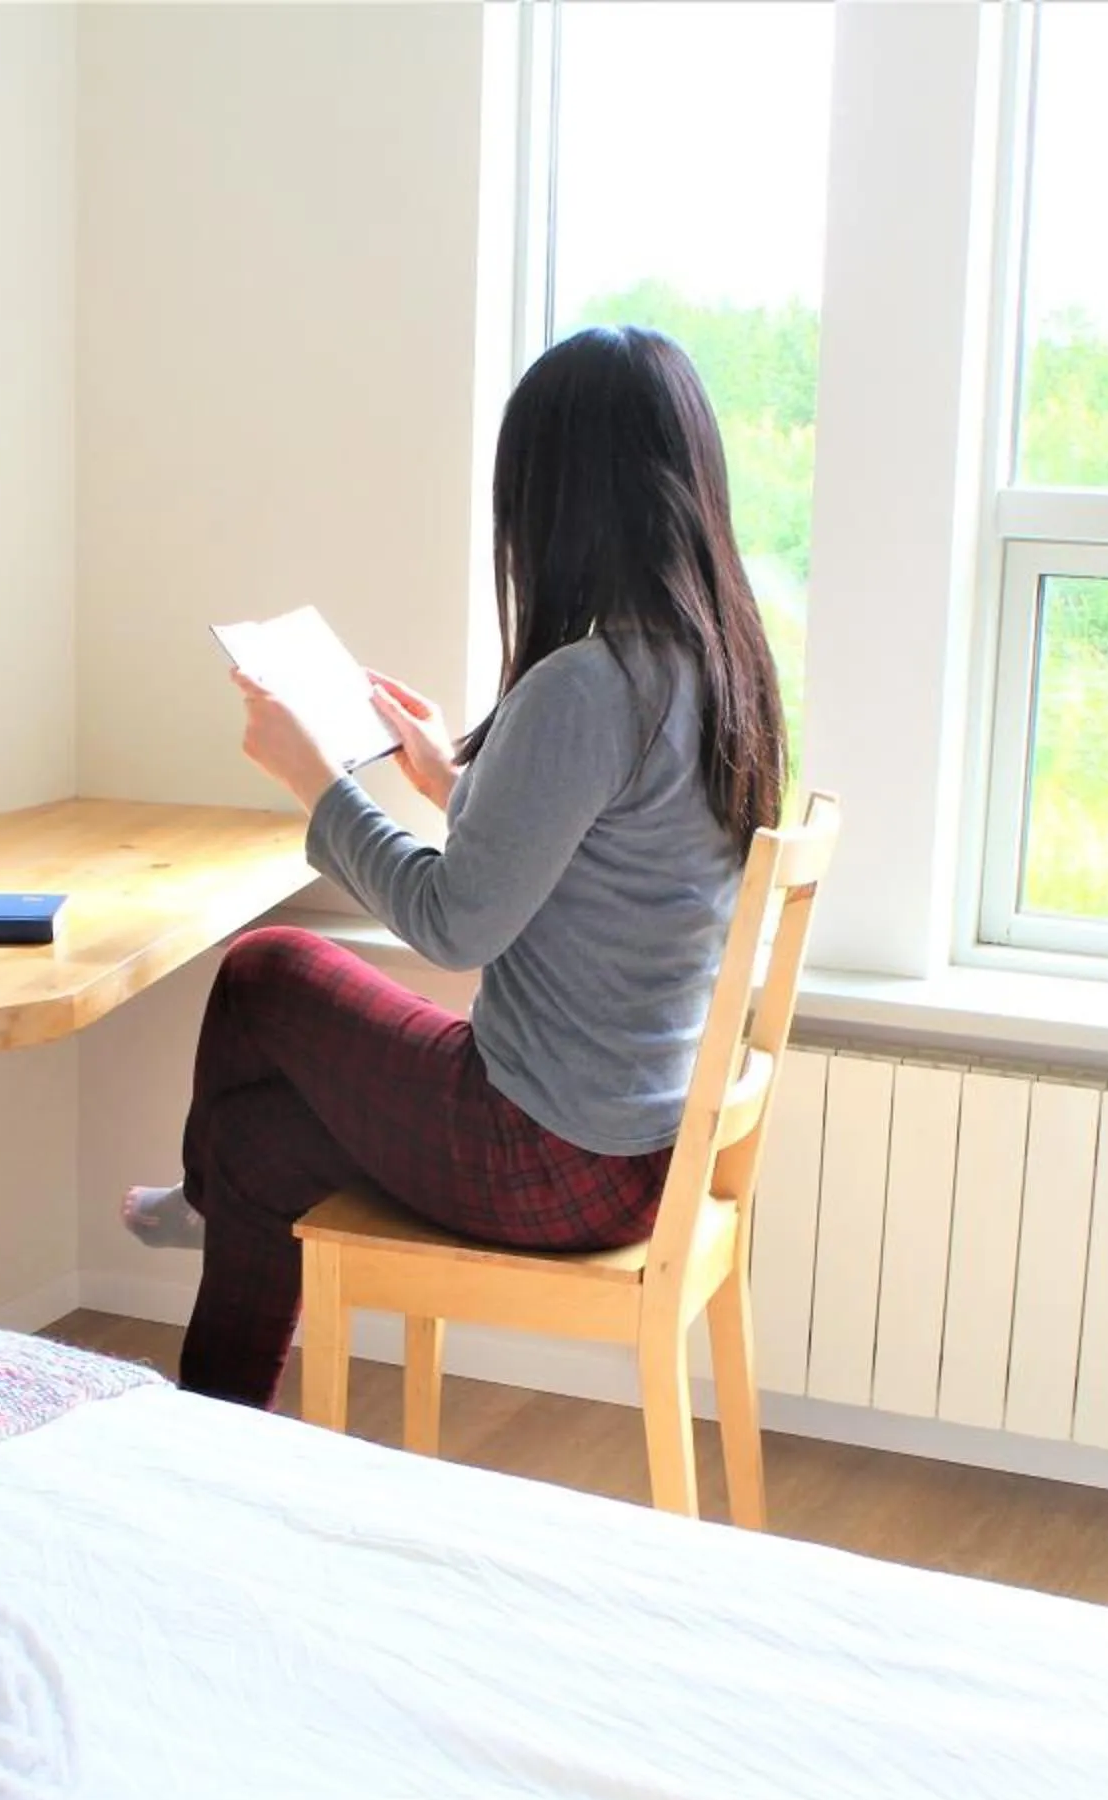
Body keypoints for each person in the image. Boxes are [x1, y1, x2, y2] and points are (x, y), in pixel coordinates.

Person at [122, 325, 788, 1408]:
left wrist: (318, 783)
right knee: (257, 1142)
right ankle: (208, 1433)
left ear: (557, 499)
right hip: (643, 1150)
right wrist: (450, 780)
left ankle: (202, 1207)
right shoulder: (715, 671)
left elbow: (452, 924)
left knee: (265, 971)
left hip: (546, 1154)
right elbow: (599, 869)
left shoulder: (584, 685)